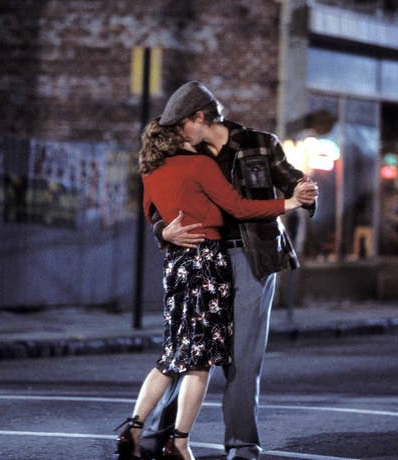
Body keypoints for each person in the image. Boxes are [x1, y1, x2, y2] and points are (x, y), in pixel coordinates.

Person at [116, 120, 315, 460]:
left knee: (174, 354)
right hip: (209, 264)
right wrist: (290, 204)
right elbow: (238, 208)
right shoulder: (200, 163)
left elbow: (154, 214)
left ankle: (136, 428)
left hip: (179, 266)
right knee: (201, 361)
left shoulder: (153, 170)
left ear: (197, 118)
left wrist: (165, 232)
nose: (185, 134)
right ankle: (177, 442)